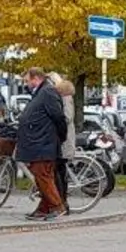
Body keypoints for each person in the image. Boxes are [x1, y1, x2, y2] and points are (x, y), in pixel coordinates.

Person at [14, 67, 67, 220]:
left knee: (43, 175)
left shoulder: (47, 92)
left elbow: (58, 117)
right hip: (38, 142)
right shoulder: (41, 92)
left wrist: (60, 137)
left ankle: (57, 206)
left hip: (43, 142)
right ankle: (44, 208)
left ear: (36, 78)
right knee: (41, 176)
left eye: (27, 80)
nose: (26, 83)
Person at [50, 74, 77, 215]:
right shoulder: (65, 98)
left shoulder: (66, 99)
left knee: (59, 170)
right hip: (63, 139)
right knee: (59, 170)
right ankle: (61, 202)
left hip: (64, 140)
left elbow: (66, 117)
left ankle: (62, 202)